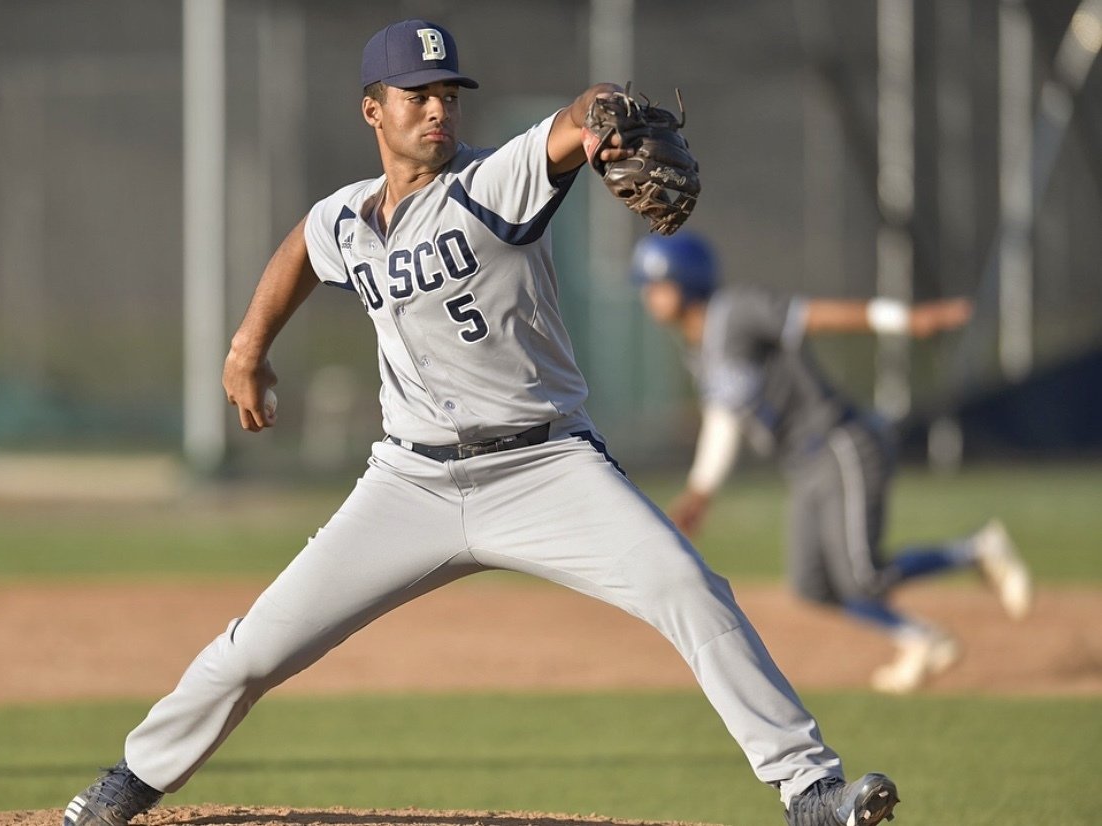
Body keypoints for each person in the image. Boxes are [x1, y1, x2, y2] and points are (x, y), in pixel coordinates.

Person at [63, 19, 900, 826]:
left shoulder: (491, 183)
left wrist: (601, 109)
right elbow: (302, 250)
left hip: (546, 471)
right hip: (408, 485)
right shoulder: (347, 219)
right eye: (418, 94)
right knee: (255, 649)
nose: (439, 109)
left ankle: (809, 790)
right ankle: (128, 783)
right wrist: (248, 347)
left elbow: (572, 122)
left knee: (688, 588)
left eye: (449, 95)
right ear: (372, 110)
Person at [629, 229, 1032, 694]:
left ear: (686, 280)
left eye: (656, 284)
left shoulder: (735, 311)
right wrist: (701, 491)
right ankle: (922, 639)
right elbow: (724, 416)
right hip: (803, 465)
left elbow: (813, 316)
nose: (648, 295)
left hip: (840, 444)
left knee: (864, 577)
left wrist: (905, 319)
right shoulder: (699, 346)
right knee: (812, 584)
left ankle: (977, 551)